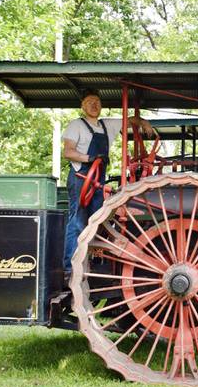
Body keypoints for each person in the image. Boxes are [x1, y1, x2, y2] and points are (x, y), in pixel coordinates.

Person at [62, 89, 153, 272]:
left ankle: (90, 263)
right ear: (82, 106)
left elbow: (130, 120)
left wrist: (143, 122)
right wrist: (90, 158)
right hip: (81, 177)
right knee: (78, 220)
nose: (94, 105)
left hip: (97, 181)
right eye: (89, 102)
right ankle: (69, 267)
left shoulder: (107, 125)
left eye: (96, 101)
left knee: (97, 220)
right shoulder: (76, 125)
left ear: (101, 105)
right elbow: (68, 152)